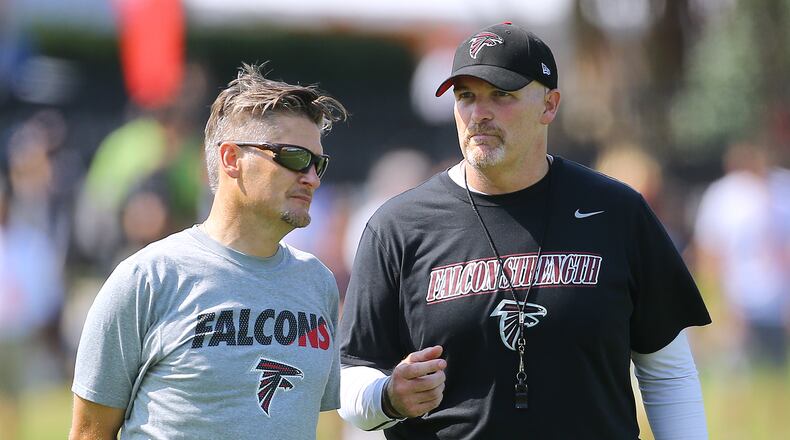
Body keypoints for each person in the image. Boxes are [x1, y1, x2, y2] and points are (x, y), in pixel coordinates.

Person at [338, 22, 711, 439]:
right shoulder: (397, 226)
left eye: (502, 95)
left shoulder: (617, 211)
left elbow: (669, 375)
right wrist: (389, 395)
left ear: (549, 105)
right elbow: (353, 382)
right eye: (466, 97)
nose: (480, 113)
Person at [69, 63, 348, 440]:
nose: (311, 177)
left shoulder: (318, 283)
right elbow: (90, 433)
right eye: (294, 157)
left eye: (318, 163)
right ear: (231, 159)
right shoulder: (148, 278)